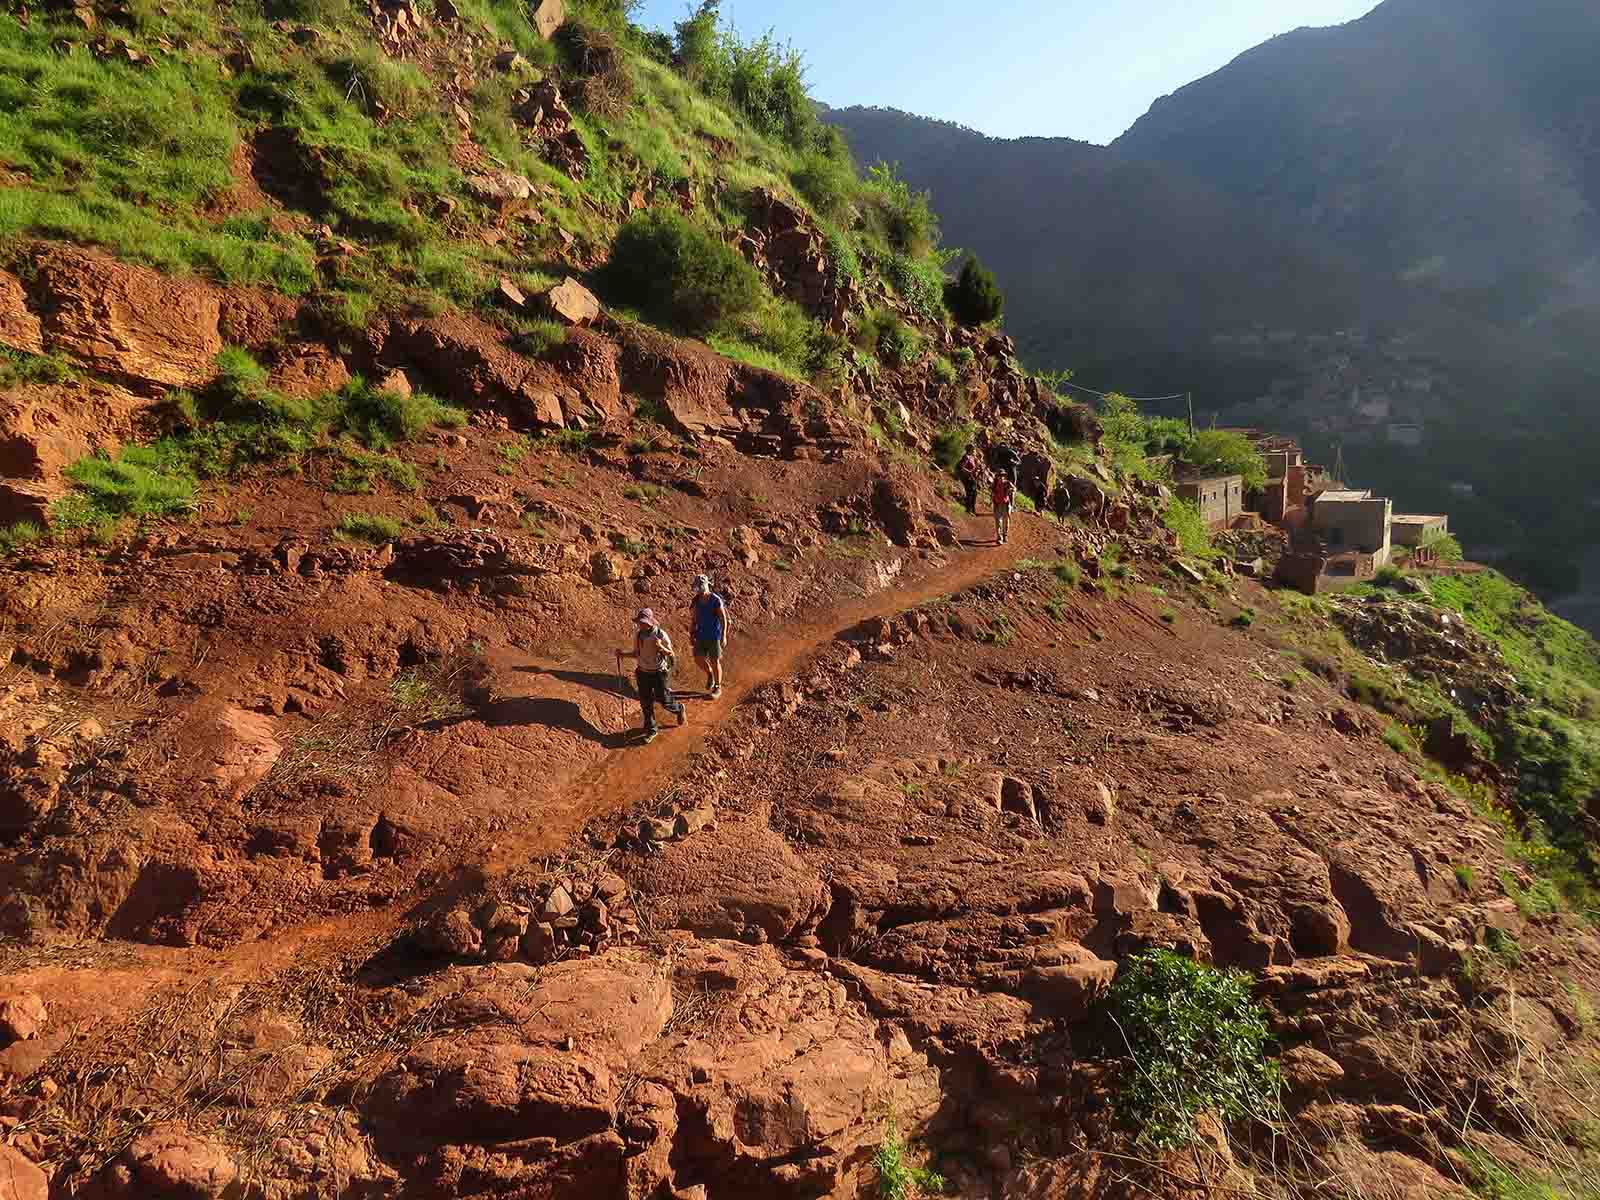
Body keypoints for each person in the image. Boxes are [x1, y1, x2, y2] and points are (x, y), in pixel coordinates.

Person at [617, 608, 684, 742]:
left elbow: (671, 654)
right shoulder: (638, 635)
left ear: (650, 623)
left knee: (663, 700)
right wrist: (622, 654)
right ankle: (651, 729)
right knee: (645, 702)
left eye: (642, 622)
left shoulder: (660, 635)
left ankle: (679, 709)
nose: (640, 625)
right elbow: (636, 653)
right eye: (639, 622)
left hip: (659, 673)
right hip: (642, 673)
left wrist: (661, 647)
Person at [687, 574, 729, 697]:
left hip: (714, 635)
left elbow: (723, 618)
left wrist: (724, 635)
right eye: (697, 586)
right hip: (701, 634)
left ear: (707, 585)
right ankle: (709, 673)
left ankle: (717, 687)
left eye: (701, 585)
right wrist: (691, 634)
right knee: (698, 658)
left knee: (714, 661)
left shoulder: (715, 600)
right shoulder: (696, 601)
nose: (699, 588)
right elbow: (694, 619)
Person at [956, 446, 983, 516]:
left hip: (972, 478)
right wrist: (970, 472)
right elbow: (962, 467)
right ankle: (968, 510)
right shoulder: (966, 457)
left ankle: (972, 510)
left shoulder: (972, 457)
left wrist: (977, 470)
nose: (975, 451)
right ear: (970, 450)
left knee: (974, 493)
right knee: (970, 493)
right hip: (968, 478)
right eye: (974, 450)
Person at [992, 472, 1015, 545]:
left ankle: (1005, 535)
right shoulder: (994, 484)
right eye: (999, 475)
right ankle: (999, 538)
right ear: (997, 477)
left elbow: (1014, 488)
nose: (1001, 477)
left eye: (1002, 475)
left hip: (1005, 504)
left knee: (1006, 521)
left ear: (1004, 476)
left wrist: (1010, 491)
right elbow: (992, 492)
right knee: (998, 522)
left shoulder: (1007, 483)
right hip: (997, 504)